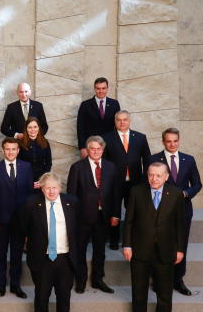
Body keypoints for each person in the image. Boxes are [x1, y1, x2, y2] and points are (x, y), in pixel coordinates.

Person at [123, 162, 185, 312]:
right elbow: (129, 222)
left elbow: (180, 225)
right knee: (139, 291)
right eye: (151, 175)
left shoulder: (175, 194)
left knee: (165, 294)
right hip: (140, 251)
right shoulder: (136, 191)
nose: (154, 179)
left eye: (158, 175)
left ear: (166, 177)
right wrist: (127, 245)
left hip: (166, 252)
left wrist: (180, 249)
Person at [22, 172, 80, 312]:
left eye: (55, 188)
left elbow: (77, 229)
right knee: (41, 297)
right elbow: (23, 227)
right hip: (43, 259)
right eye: (48, 188)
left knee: (64, 298)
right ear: (42, 188)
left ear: (60, 188)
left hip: (65, 258)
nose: (51, 191)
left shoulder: (72, 202)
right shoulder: (32, 203)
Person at [149, 128, 201, 296]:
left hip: (183, 210)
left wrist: (186, 193)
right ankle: (158, 280)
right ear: (163, 141)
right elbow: (148, 183)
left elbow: (197, 184)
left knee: (181, 245)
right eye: (169, 141)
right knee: (159, 245)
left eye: (175, 140)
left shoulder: (189, 159)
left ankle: (178, 280)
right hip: (159, 211)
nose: (172, 144)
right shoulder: (154, 159)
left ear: (179, 141)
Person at [66, 136, 121, 294]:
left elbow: (116, 193)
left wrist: (116, 214)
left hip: (104, 216)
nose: (95, 151)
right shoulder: (77, 167)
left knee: (100, 250)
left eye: (99, 149)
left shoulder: (111, 167)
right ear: (87, 150)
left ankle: (97, 279)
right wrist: (72, 217)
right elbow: (71, 195)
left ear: (103, 150)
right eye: (92, 149)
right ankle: (81, 279)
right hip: (82, 217)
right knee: (80, 250)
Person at [0, 137, 34, 299]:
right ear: (3, 150)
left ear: (18, 150)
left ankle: (15, 285)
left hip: (20, 221)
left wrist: (28, 221)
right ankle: (1, 284)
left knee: (17, 253)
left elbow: (30, 196)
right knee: (0, 253)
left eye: (14, 149)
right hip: (0, 220)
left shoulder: (26, 168)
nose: (11, 152)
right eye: (7, 149)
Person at [102, 110, 150, 250]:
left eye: (125, 119)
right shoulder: (107, 138)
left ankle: (131, 241)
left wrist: (145, 180)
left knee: (134, 212)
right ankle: (114, 241)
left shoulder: (140, 138)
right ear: (115, 121)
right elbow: (103, 162)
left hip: (135, 183)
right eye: (118, 120)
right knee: (114, 212)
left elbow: (147, 159)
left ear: (129, 121)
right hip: (114, 182)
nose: (122, 122)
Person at [76, 77, 120, 159]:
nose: (101, 91)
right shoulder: (85, 105)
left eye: (103, 88)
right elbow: (80, 128)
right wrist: (82, 148)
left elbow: (118, 125)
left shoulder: (114, 104)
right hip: (91, 147)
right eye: (98, 88)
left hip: (110, 146)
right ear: (94, 89)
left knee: (108, 169)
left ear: (107, 88)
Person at [18, 117, 52, 190]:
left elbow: (48, 163)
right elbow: (18, 164)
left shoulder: (45, 142)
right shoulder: (20, 143)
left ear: (39, 128)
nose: (33, 130)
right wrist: (28, 181)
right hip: (24, 179)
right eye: (30, 127)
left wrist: (42, 180)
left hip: (41, 180)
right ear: (26, 129)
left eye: (35, 127)